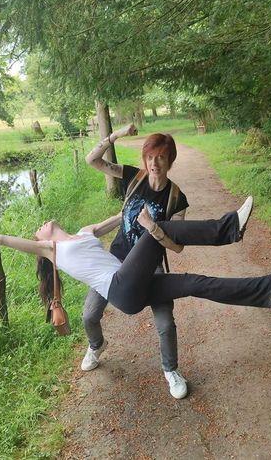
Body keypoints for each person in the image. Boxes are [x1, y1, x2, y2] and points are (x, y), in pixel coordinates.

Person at [0, 200, 271, 363]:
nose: (41, 225)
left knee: (195, 282)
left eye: (41, 225)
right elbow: (1, 238)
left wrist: (134, 204)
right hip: (121, 289)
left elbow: (118, 217)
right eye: (38, 228)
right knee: (156, 231)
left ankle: (268, 290)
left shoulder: (83, 232)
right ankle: (230, 227)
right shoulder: (50, 250)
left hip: (131, 290)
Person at [85, 125, 190, 398]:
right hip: (116, 258)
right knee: (89, 315)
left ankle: (171, 370)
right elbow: (92, 160)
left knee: (165, 323)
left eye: (161, 157)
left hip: (151, 265)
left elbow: (177, 247)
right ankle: (96, 345)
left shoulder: (176, 199)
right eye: (150, 157)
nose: (154, 163)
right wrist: (116, 135)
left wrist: (153, 228)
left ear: (170, 160)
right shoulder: (133, 177)